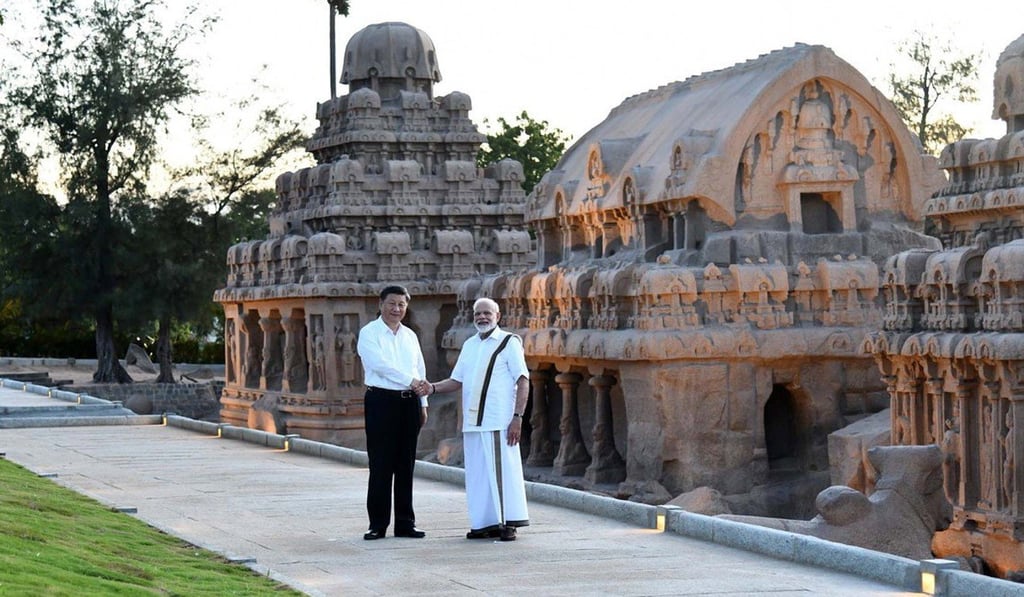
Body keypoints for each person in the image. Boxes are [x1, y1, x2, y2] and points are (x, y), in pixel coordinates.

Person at [424, 297, 529, 541]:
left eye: (486, 313)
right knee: (478, 475)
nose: (482, 317)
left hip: (498, 421)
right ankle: (485, 523)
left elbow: (522, 380)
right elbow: (456, 380)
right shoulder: (470, 345)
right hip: (473, 423)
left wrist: (518, 417)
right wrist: (431, 388)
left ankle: (508, 522)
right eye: (478, 314)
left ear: (497, 316)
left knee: (502, 472)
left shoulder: (508, 342)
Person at [356, 285, 431, 540]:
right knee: (380, 463)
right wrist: (410, 381)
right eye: (392, 303)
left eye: (401, 304)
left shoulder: (410, 335)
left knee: (406, 464)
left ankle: (405, 523)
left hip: (409, 403)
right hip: (381, 401)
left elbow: (419, 368)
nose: (396, 309)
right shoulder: (369, 333)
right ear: (381, 304)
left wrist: (423, 404)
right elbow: (379, 365)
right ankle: (377, 523)